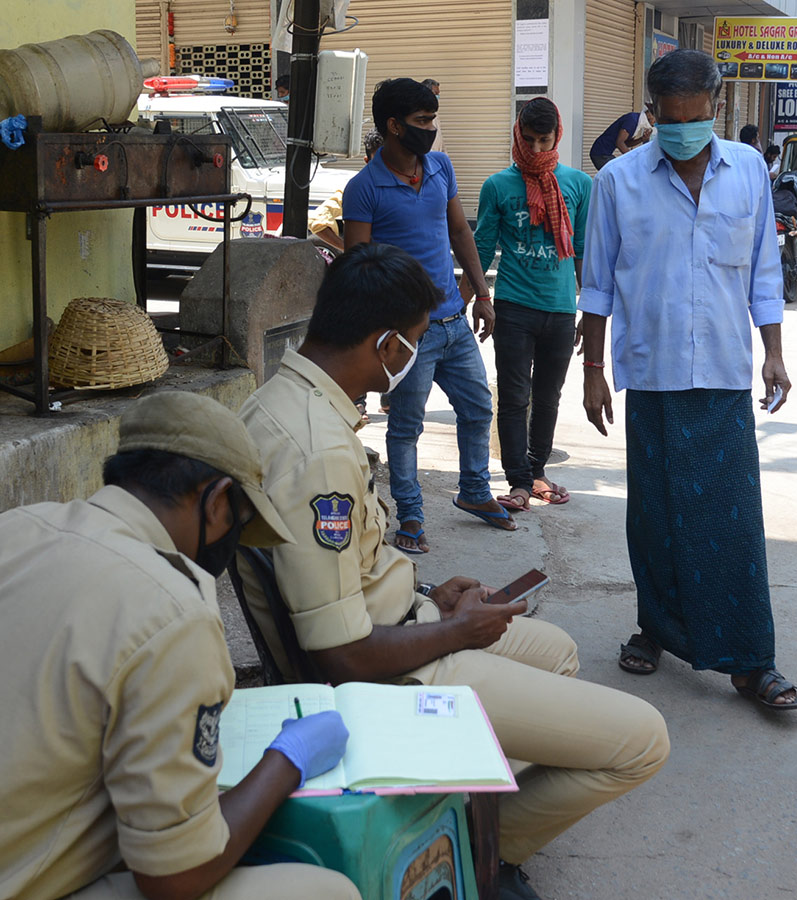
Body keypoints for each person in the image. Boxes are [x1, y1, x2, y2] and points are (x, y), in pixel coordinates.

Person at [238, 242, 670, 900]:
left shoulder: (290, 399)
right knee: (644, 740)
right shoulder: (317, 451)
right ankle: (479, 854)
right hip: (385, 674)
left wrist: (430, 595)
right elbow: (341, 654)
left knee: (555, 652)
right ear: (385, 345)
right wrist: (456, 631)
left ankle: (470, 808)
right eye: (412, 342)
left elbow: (341, 569)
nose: (414, 356)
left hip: (401, 622)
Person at [0, 391, 360, 900]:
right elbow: (175, 876)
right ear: (217, 503)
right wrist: (286, 761)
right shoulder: (172, 609)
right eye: (239, 524)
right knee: (328, 891)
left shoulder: (20, 525)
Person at [579, 49, 797, 712]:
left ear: (716, 108)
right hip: (651, 373)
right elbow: (596, 287)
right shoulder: (619, 182)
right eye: (670, 119)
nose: (683, 131)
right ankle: (656, 630)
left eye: (696, 118)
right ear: (652, 113)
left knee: (733, 523)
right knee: (656, 517)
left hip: (726, 376)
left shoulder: (750, 174)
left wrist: (775, 353)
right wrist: (593, 371)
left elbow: (764, 272)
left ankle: (751, 660)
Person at [343, 77, 510, 554]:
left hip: (454, 322)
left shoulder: (440, 167)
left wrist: (482, 293)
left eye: (433, 119)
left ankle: (475, 492)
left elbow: (460, 231)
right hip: (407, 335)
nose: (431, 129)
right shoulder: (364, 188)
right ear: (394, 126)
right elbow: (358, 266)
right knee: (406, 427)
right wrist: (381, 334)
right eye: (422, 121)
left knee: (478, 408)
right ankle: (410, 516)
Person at [465, 97, 590, 511]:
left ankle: (538, 473)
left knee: (549, 396)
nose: (536, 150)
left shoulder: (578, 184)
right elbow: (479, 250)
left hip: (559, 310)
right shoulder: (497, 186)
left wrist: (590, 313)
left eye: (545, 140)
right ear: (518, 135)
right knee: (516, 396)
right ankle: (518, 480)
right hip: (514, 307)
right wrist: (470, 301)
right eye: (530, 140)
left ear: (558, 137)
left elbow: (585, 251)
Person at [308, 130, 385, 253]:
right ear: (367, 161)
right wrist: (348, 248)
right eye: (379, 163)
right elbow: (317, 220)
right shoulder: (357, 190)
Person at [589, 108, 655, 170]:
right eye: (656, 119)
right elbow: (619, 143)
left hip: (605, 153)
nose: (656, 122)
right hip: (600, 153)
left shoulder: (637, 122)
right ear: (649, 114)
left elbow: (625, 143)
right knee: (620, 175)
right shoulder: (632, 120)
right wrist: (633, 158)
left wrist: (641, 139)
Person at [421, 78, 447, 153]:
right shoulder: (418, 114)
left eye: (438, 94)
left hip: (437, 156)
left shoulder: (435, 113)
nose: (437, 97)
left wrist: (445, 155)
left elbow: (439, 137)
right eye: (435, 94)